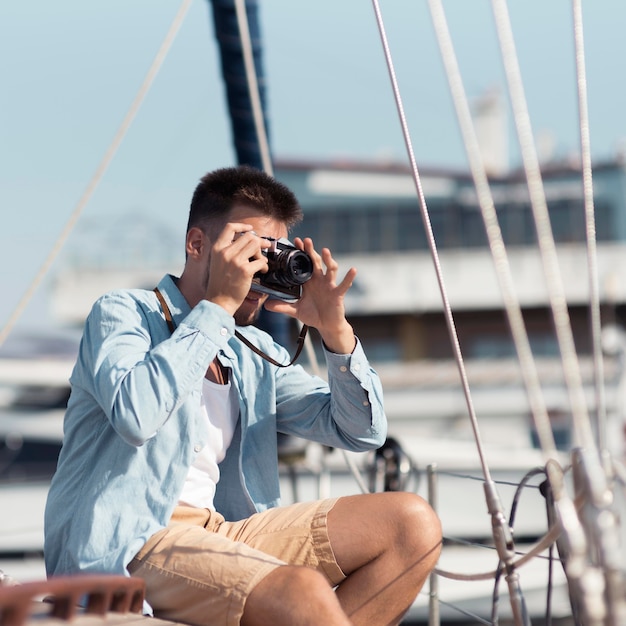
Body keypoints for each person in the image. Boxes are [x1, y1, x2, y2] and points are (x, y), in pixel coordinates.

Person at [44, 165, 442, 626]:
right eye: (247, 250)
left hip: (220, 532)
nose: (259, 268)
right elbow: (136, 415)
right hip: (128, 539)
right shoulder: (123, 314)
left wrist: (335, 331)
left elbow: (361, 431)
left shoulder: (249, 353)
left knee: (411, 527)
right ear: (196, 245)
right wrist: (216, 307)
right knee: (299, 588)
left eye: (270, 255)